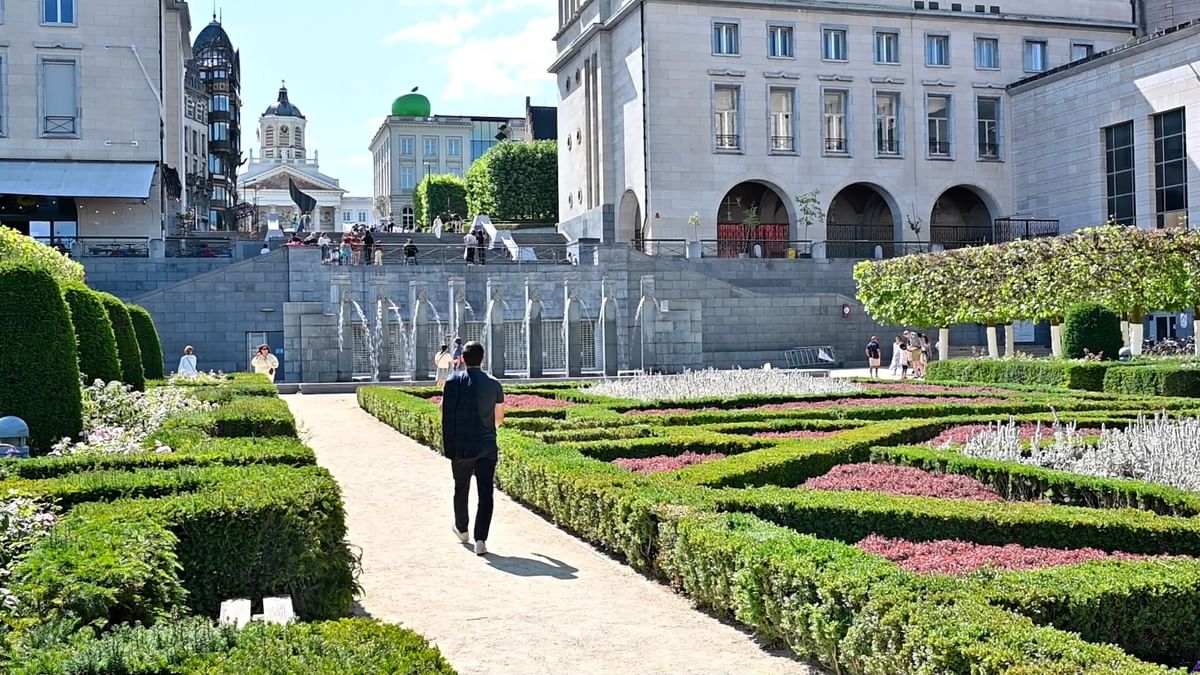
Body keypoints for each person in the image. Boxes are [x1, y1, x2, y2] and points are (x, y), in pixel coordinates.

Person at [441, 341, 505, 556]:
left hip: (462, 446)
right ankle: (481, 540)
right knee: (486, 492)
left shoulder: (452, 381)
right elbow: (499, 419)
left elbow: (444, 411)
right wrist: (487, 427)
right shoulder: (494, 384)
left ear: (463, 360)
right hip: (487, 445)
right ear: (483, 359)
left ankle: (462, 529)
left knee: (461, 488)